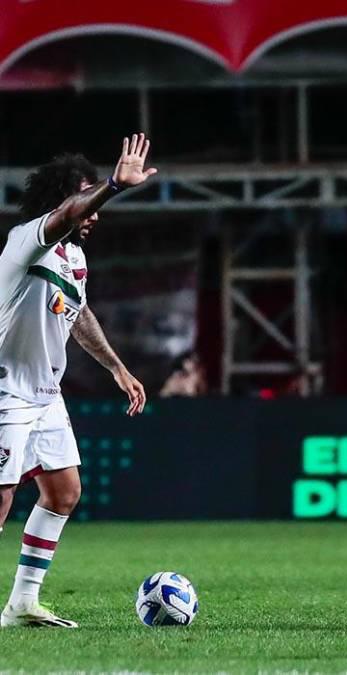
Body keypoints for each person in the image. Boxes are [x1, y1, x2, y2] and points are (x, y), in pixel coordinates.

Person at [0, 135, 156, 628]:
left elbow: (79, 313)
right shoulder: (28, 240)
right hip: (6, 389)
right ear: (64, 199)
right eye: (88, 198)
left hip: (45, 394)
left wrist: (116, 366)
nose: (95, 212)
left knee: (64, 492)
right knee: (0, 496)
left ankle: (22, 604)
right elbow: (69, 213)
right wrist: (113, 184)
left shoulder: (74, 258)